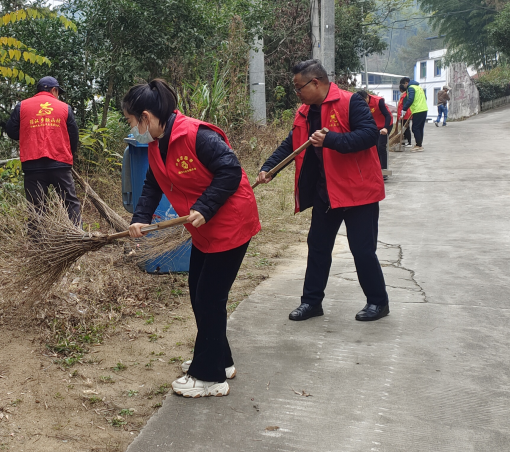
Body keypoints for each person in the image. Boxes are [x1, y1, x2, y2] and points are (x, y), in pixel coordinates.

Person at [125, 79, 261, 399]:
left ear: (146, 116)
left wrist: (205, 205)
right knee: (199, 294)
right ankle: (219, 360)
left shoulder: (197, 135)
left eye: (131, 121)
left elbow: (230, 170)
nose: (132, 128)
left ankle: (209, 377)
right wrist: (139, 219)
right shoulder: (158, 144)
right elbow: (152, 186)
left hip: (230, 224)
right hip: (203, 230)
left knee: (209, 298)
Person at [259, 60, 389, 323]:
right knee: (317, 248)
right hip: (325, 193)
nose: (297, 93)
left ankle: (378, 302)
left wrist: (331, 140)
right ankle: (311, 302)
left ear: (315, 82)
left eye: (299, 88)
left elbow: (369, 136)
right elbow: (290, 143)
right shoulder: (305, 112)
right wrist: (270, 167)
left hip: (358, 194)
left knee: (362, 250)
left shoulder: (350, 102)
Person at [3, 76, 82, 224]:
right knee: (70, 203)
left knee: (36, 206)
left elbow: (11, 131)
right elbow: (73, 137)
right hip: (60, 163)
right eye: (58, 92)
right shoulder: (65, 108)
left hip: (33, 165)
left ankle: (37, 243)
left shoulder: (22, 106)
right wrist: (68, 156)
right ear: (54, 90)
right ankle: (78, 236)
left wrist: (29, 134)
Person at [355, 88, 391, 179]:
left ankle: (384, 171)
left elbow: (387, 115)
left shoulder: (378, 101)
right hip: (374, 127)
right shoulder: (360, 104)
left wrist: (385, 128)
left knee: (381, 146)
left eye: (364, 101)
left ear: (367, 96)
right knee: (372, 147)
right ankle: (376, 169)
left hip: (385, 125)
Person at [400, 77, 427, 151]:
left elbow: (410, 99)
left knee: (415, 128)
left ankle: (418, 145)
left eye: (403, 84)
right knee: (420, 128)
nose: (404, 87)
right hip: (424, 109)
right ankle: (419, 144)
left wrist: (404, 109)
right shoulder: (418, 87)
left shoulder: (411, 88)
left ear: (406, 83)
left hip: (418, 110)